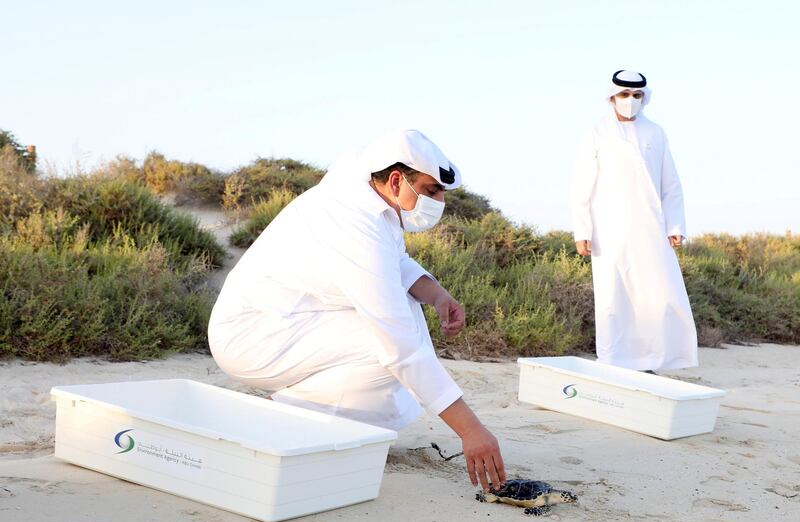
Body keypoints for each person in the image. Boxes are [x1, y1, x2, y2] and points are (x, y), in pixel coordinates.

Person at [209, 129, 505, 491]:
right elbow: (400, 345)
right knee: (387, 347)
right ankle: (291, 417)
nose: (439, 201)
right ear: (396, 180)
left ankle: (310, 416)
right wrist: (471, 430)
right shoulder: (350, 217)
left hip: (293, 322)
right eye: (431, 191)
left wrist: (437, 295)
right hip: (251, 335)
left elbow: (395, 262)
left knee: (406, 321)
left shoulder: (371, 202)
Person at [569, 70, 698, 372]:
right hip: (608, 229)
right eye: (624, 95)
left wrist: (675, 226)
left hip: (652, 227)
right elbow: (581, 186)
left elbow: (671, 185)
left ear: (644, 98)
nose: (630, 101)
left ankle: (652, 361)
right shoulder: (596, 133)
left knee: (658, 293)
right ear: (612, 97)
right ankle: (613, 361)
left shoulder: (656, 133)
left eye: (636, 95)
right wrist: (582, 230)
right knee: (614, 295)